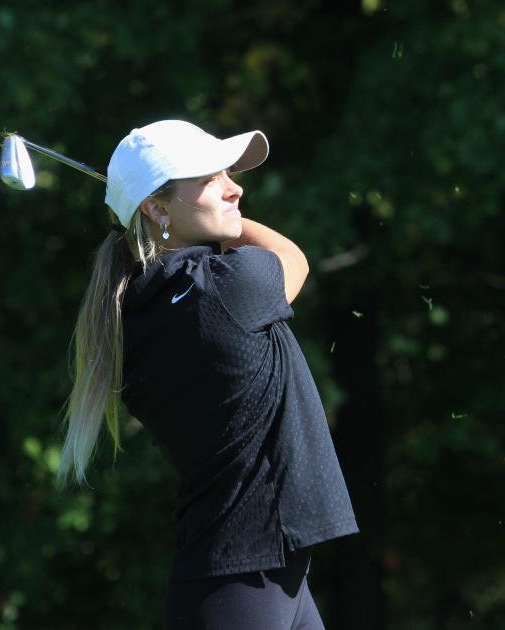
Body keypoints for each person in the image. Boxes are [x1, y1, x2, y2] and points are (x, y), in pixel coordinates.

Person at [56, 120, 359, 629]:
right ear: (155, 207)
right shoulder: (226, 288)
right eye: (210, 178)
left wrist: (181, 213)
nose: (235, 187)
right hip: (244, 587)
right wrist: (230, 221)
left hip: (248, 579)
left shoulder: (135, 311)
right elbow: (293, 258)